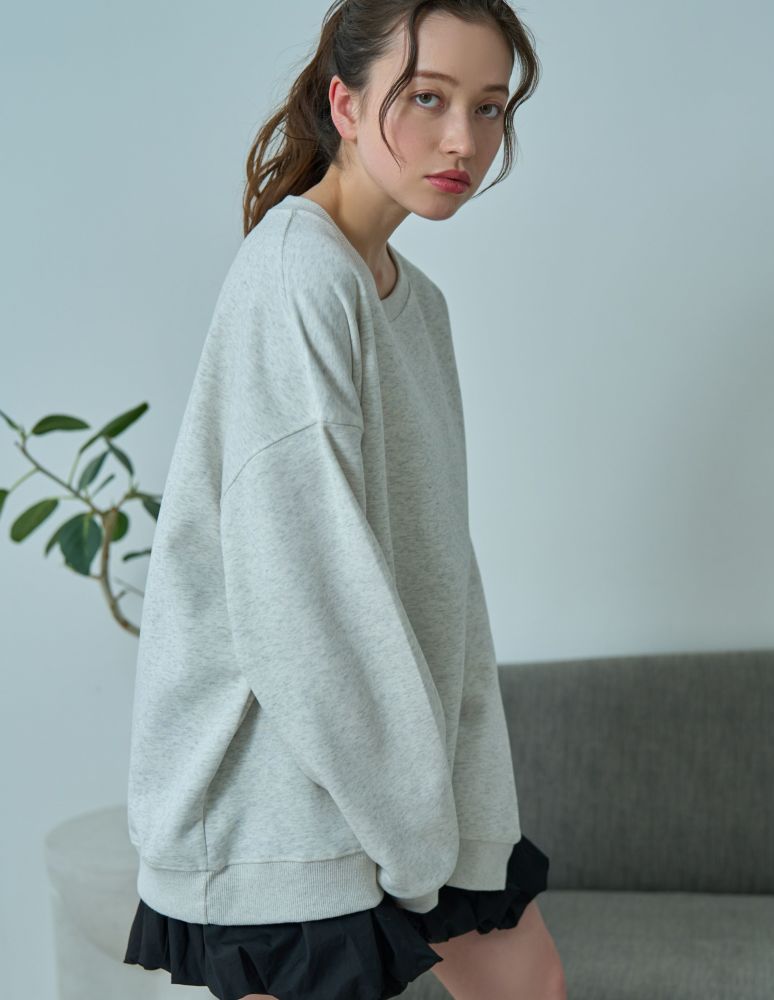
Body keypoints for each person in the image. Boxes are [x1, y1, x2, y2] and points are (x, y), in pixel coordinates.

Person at [123, 2, 567, 998]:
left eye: (488, 107)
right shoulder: (296, 279)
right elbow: (303, 597)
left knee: (529, 985)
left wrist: (457, 805)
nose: (463, 141)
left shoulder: (414, 302)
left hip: (396, 791)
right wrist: (412, 832)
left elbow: (442, 577)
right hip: (281, 801)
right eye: (427, 98)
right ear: (346, 104)